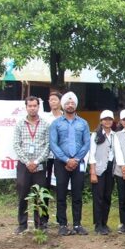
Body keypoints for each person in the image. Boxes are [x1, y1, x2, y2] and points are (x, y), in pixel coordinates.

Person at [49, 92, 90, 236]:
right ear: (63, 105)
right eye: (67, 103)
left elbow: (86, 144)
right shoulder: (56, 123)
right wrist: (66, 160)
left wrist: (76, 160)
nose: (70, 105)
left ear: (76, 105)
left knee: (77, 195)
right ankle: (62, 224)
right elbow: (53, 144)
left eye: (72, 103)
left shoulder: (83, 123)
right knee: (61, 194)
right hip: (61, 163)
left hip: (78, 162)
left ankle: (77, 224)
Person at [12, 96, 50, 234]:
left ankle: (41, 223)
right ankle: (22, 224)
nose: (32, 108)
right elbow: (16, 144)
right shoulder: (20, 124)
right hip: (24, 164)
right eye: (30, 106)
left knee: (40, 195)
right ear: (26, 107)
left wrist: (37, 161)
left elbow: (48, 145)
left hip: (39, 164)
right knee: (23, 194)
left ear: (38, 107)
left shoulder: (45, 124)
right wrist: (28, 162)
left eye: (35, 105)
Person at [89, 110, 123, 235]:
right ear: (101, 121)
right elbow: (91, 154)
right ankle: (98, 224)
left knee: (107, 196)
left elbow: (118, 153)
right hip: (99, 168)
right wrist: (92, 171)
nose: (107, 121)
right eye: (105, 119)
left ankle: (104, 222)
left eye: (109, 119)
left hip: (111, 168)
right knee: (98, 197)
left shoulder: (115, 135)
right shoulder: (95, 135)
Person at [42, 91, 63, 195]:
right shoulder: (44, 117)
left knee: (61, 183)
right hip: (47, 154)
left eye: (55, 100)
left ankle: (60, 210)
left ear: (60, 102)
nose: (52, 102)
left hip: (61, 155)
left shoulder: (65, 117)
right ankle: (44, 210)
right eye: (50, 100)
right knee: (45, 183)